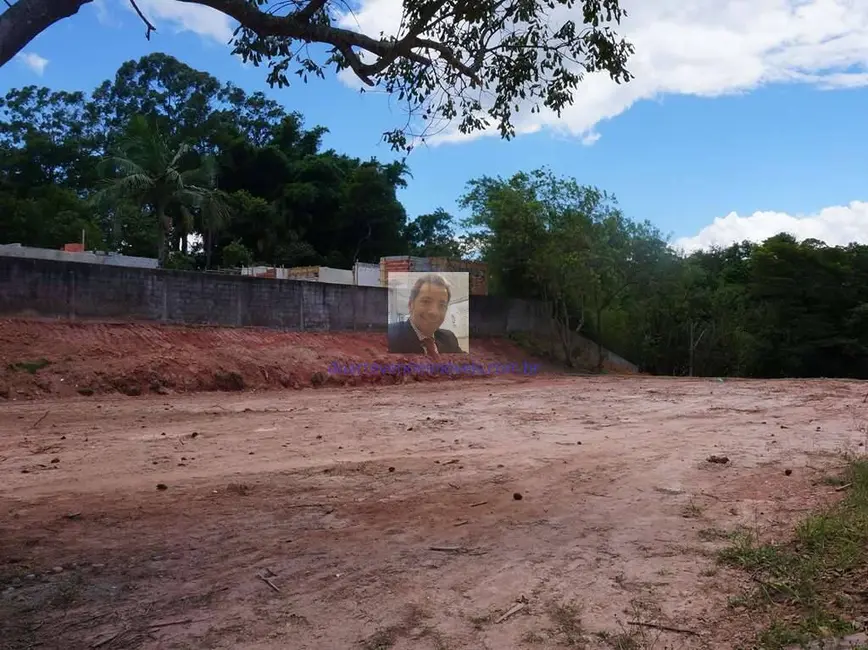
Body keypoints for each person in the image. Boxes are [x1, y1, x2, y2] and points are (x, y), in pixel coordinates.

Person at [388, 273, 464, 356]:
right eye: (426, 301)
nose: (434, 312)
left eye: (442, 305)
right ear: (411, 305)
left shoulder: (448, 339)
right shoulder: (389, 336)